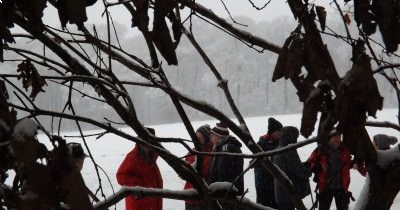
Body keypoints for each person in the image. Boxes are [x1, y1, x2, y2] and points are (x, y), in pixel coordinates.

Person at [306, 129, 364, 210]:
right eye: (335, 137)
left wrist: (353, 164)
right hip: (325, 187)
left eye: (339, 137)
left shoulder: (345, 149)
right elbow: (309, 163)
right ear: (329, 138)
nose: (338, 139)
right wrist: (318, 166)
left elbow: (348, 163)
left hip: (342, 187)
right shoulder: (321, 149)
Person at [116, 127, 163, 210]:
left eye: (150, 141)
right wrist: (142, 187)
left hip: (154, 205)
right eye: (144, 141)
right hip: (138, 206)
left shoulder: (153, 157)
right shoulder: (133, 157)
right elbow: (121, 176)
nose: (148, 144)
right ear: (139, 142)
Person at [273, 126, 311, 210]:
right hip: (288, 192)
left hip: (281, 192)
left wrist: (304, 165)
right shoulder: (289, 151)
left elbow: (290, 167)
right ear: (291, 137)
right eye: (296, 137)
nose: (296, 140)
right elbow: (297, 169)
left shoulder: (278, 149)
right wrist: (309, 171)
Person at [208, 122, 244, 210]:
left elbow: (223, 173)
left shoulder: (227, 149)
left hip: (228, 195)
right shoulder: (221, 148)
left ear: (219, 136)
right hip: (226, 194)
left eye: (212, 136)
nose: (210, 139)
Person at [253, 117, 282, 208]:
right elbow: (254, 162)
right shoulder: (261, 144)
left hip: (275, 182)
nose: (280, 133)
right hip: (263, 182)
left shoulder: (280, 143)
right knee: (264, 205)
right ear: (272, 132)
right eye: (278, 131)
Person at [183, 124, 213, 210]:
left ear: (207, 139)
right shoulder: (192, 152)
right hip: (189, 196)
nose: (197, 140)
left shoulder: (211, 153)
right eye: (196, 137)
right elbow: (183, 172)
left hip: (203, 198)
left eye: (200, 138)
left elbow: (207, 173)